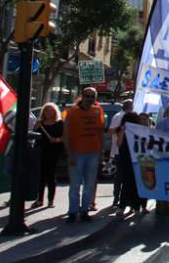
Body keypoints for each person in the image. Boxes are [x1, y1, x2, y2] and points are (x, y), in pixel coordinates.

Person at [63, 87, 106, 223]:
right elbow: (66, 135)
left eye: (92, 96)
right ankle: (73, 211)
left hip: (93, 153)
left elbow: (100, 133)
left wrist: (101, 153)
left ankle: (85, 210)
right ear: (82, 96)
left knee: (90, 184)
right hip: (77, 153)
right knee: (75, 185)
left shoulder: (98, 110)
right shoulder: (71, 112)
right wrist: (69, 154)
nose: (89, 99)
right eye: (87, 96)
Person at [32, 103, 65, 209]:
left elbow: (65, 138)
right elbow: (34, 136)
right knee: (40, 176)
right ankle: (39, 199)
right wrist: (35, 128)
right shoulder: (40, 124)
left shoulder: (60, 123)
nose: (49, 113)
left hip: (54, 152)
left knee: (51, 176)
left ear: (55, 112)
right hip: (41, 151)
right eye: (47, 111)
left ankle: (51, 200)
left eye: (51, 111)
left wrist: (56, 140)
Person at [116, 112, 148, 213]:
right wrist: (122, 131)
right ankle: (123, 206)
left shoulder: (142, 131)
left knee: (137, 183)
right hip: (126, 159)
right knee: (126, 184)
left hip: (138, 160)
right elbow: (119, 143)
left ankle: (137, 206)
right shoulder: (122, 130)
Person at [108, 100, 134, 207]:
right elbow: (111, 131)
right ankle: (117, 198)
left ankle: (123, 198)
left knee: (124, 176)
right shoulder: (118, 116)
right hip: (119, 150)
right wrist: (121, 128)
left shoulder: (129, 116)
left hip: (129, 151)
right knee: (120, 176)